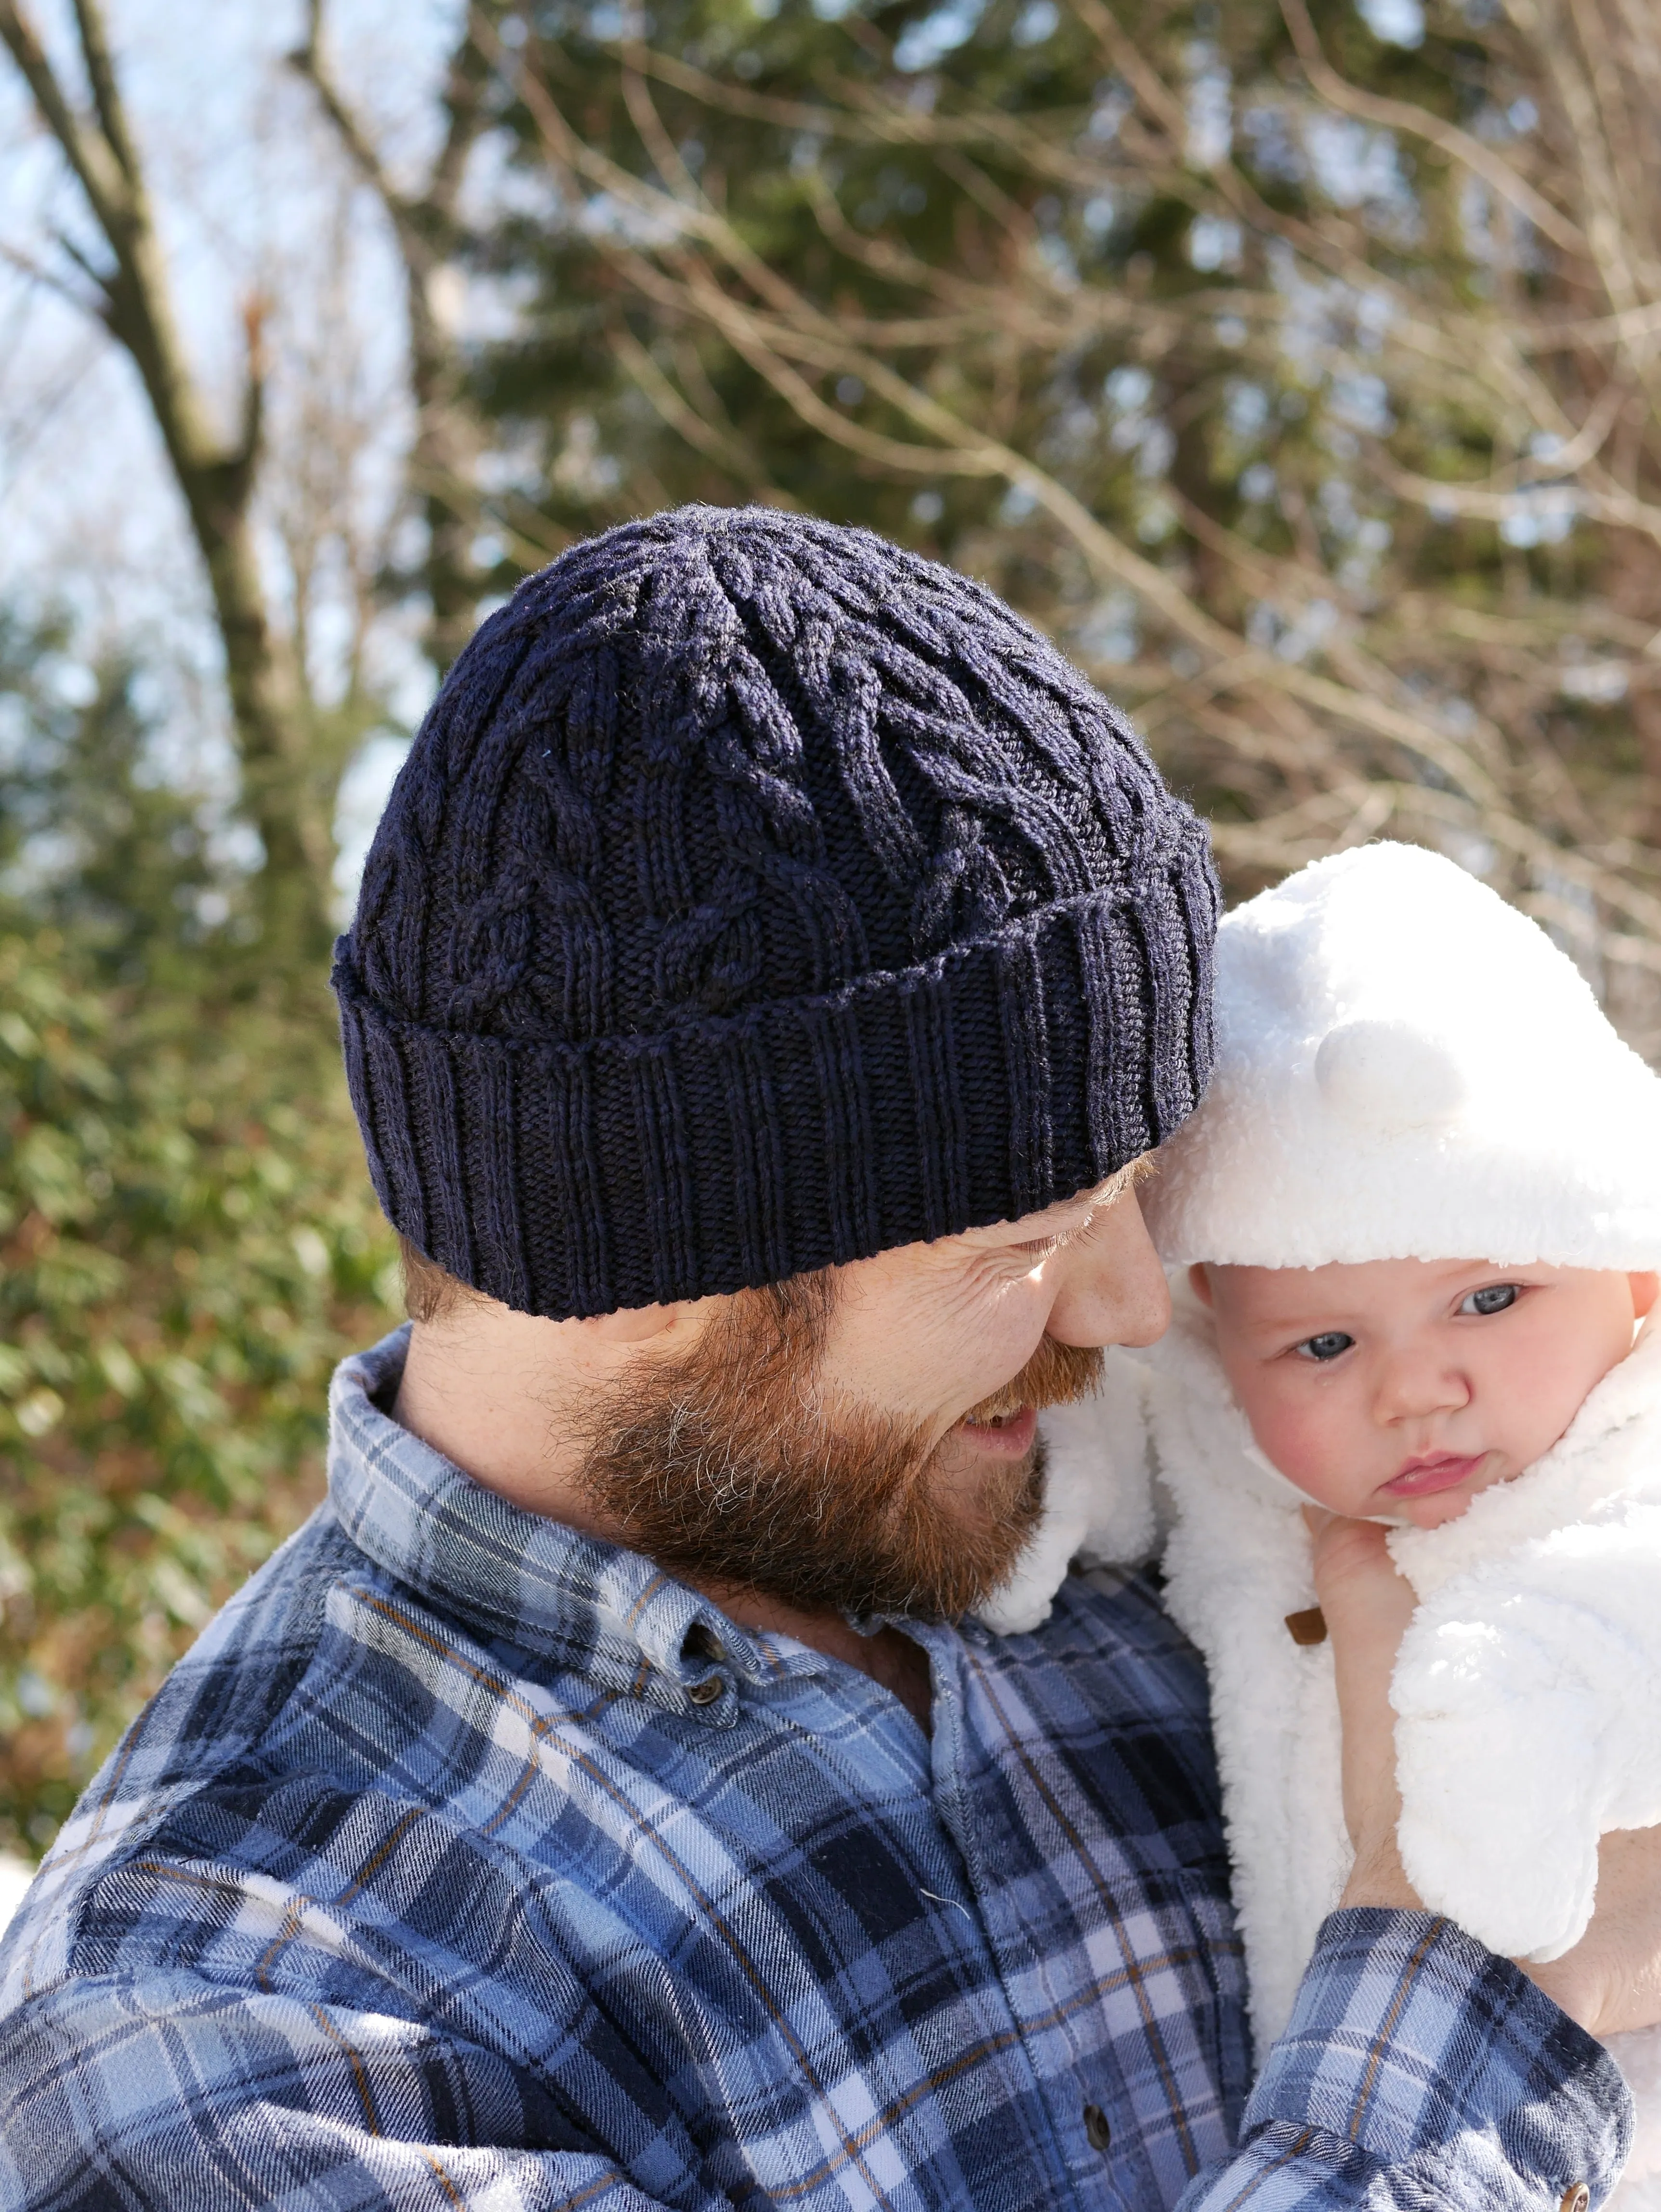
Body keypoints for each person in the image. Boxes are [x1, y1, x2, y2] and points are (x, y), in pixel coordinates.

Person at [0, 513, 1647, 2211]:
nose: (1136, 1310)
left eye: (1140, 1191)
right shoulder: (234, 2014)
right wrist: (1489, 2006)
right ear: (650, 1265)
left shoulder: (1130, 1517)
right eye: (1020, 1242)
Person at [1111, 840, 1661, 2201]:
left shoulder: (1629, 1464)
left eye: (1491, 1300)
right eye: (1322, 1345)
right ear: (1219, 1358)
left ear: (1634, 1270)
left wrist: (1525, 1704)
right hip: (1350, 2121)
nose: (1418, 1390)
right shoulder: (1229, 1478)